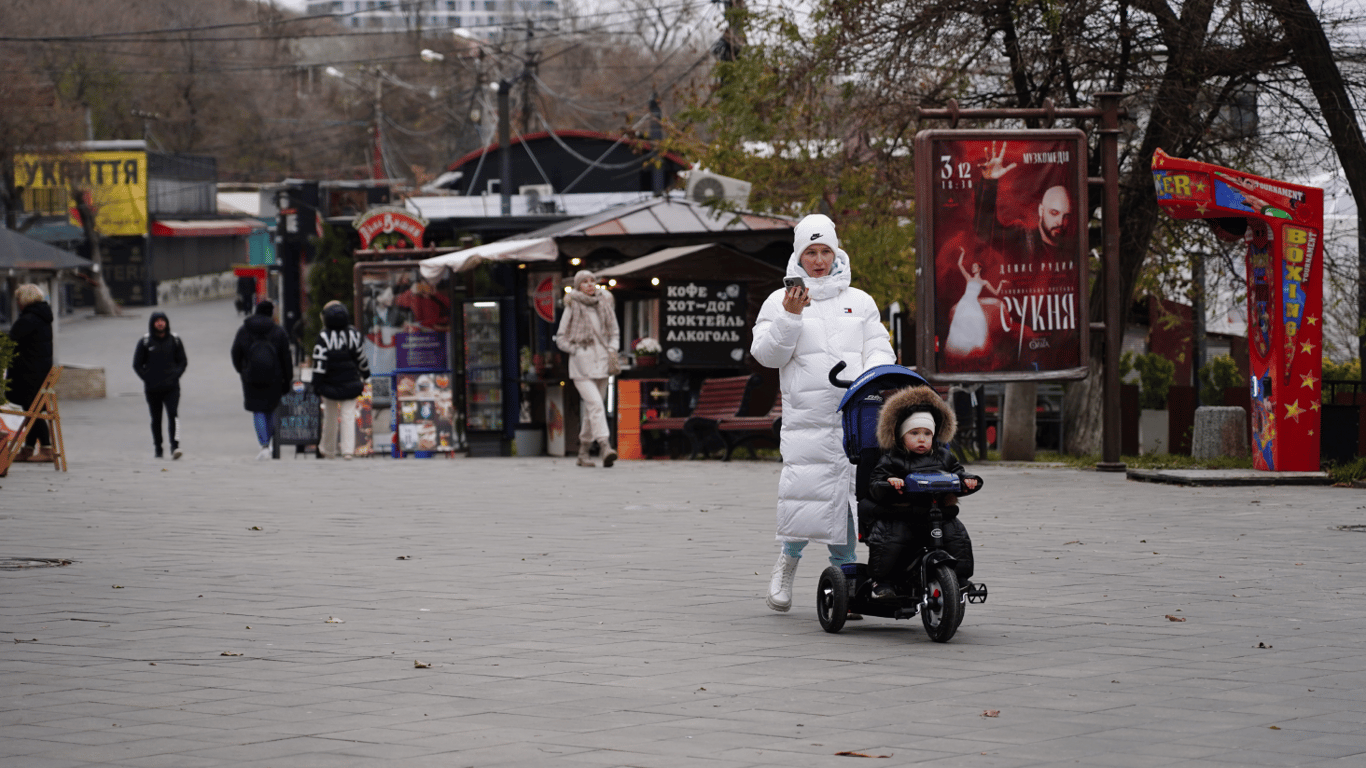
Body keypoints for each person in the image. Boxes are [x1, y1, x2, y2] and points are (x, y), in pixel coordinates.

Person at [751, 214, 896, 613]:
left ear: (836, 252)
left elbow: (879, 347)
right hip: (808, 416)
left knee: (849, 500)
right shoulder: (778, 301)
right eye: (810, 252)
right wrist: (789, 316)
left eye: (825, 251)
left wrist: (871, 378)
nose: (818, 260)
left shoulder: (860, 300)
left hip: (856, 416)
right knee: (806, 493)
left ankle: (846, 582)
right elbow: (766, 354)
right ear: (798, 255)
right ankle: (788, 561)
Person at [863, 385, 980, 597]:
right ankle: (882, 581)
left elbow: (957, 472)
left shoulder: (943, 457)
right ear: (900, 436)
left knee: (957, 536)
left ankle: (961, 579)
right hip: (902, 514)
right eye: (914, 433)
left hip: (936, 514)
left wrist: (967, 481)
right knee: (890, 539)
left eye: (927, 433)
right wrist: (890, 483)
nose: (921, 439)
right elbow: (875, 483)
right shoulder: (892, 458)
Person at [555, 269, 621, 468]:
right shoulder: (572, 306)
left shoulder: (605, 304)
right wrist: (575, 349)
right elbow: (561, 337)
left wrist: (612, 348)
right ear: (578, 286)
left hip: (602, 363)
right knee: (596, 405)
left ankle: (583, 453)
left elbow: (615, 332)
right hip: (581, 366)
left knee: (592, 410)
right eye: (585, 282)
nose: (590, 284)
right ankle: (604, 445)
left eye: (593, 281)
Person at [974, 141, 1075, 264]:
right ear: (1041, 211)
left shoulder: (1072, 245)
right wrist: (989, 182)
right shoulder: (1022, 239)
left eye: (1066, 217)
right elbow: (985, 231)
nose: (1060, 222)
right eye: (1054, 213)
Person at [231, 300, 293, 460]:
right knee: (272, 408)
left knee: (257, 409)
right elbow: (286, 358)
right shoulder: (278, 332)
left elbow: (235, 353)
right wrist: (288, 379)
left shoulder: (244, 330)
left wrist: (242, 370)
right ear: (271, 313)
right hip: (274, 377)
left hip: (251, 377)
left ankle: (264, 445)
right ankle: (271, 440)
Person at [311, 301, 370, 460]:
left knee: (329, 417)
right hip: (351, 382)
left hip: (329, 384)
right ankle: (348, 450)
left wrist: (316, 384)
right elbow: (361, 358)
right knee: (348, 415)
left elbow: (319, 363)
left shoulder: (324, 336)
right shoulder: (354, 334)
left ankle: (328, 450)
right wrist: (366, 375)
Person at [4, 284, 54, 462]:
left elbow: (11, 341)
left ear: (24, 299)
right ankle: (29, 448)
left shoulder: (29, 319)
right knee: (31, 408)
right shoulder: (41, 317)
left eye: (18, 299)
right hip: (39, 370)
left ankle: (47, 449)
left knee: (32, 409)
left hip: (28, 372)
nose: (17, 303)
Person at [132, 311, 188, 459]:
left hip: (172, 388)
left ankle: (175, 446)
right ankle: (158, 447)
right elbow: (137, 364)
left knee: (173, 415)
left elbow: (183, 361)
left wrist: (176, 375)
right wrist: (147, 378)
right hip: (152, 388)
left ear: (167, 323)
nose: (160, 323)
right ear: (152, 324)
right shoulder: (145, 342)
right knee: (156, 419)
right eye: (157, 321)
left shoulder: (175, 340)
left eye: (163, 320)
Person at [944, 247, 1009, 358]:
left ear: (979, 269)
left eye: (975, 267)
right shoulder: (969, 278)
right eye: (973, 267)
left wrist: (1001, 283)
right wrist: (963, 253)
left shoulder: (984, 282)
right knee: (960, 325)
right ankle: (961, 350)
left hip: (973, 303)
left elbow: (996, 292)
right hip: (964, 302)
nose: (972, 268)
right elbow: (960, 265)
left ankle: (973, 350)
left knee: (975, 326)